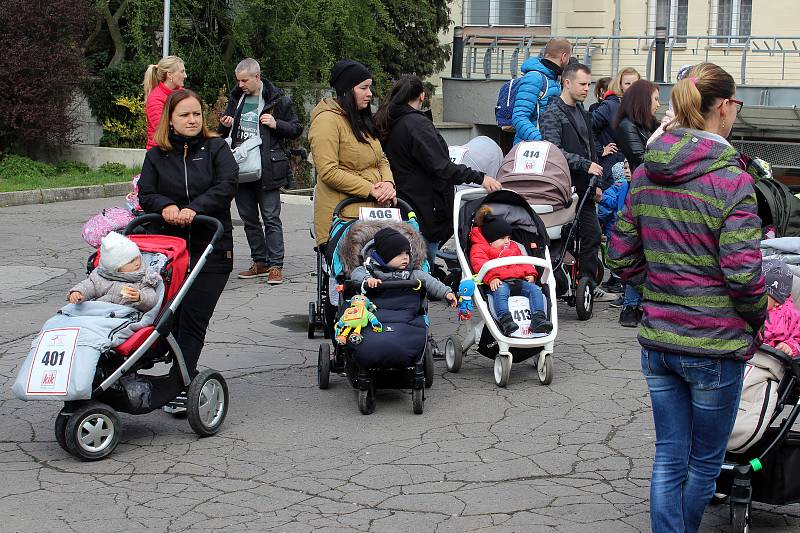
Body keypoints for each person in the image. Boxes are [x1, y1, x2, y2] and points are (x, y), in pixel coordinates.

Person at [607, 62, 766, 533]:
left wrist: (659, 285)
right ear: (721, 107)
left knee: (669, 459)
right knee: (702, 463)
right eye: (735, 104)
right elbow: (742, 275)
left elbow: (619, 255)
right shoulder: (731, 180)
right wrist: (757, 318)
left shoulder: (645, 172)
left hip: (660, 340)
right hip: (715, 344)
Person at [138, 89, 238, 408]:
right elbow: (146, 193)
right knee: (170, 315)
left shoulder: (216, 148)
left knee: (193, 316)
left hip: (211, 247)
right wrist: (166, 205)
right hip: (168, 251)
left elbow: (227, 185)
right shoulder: (156, 155)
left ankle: (182, 382)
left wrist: (195, 208)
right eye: (185, 115)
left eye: (196, 114)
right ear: (171, 119)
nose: (193, 120)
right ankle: (170, 369)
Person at [374, 75, 501, 263]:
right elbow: (441, 166)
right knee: (422, 265)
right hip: (422, 209)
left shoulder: (386, 120)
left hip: (397, 201)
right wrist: (480, 178)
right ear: (422, 96)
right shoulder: (416, 124)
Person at [218, 58, 303, 284]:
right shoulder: (236, 98)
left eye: (245, 80)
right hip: (240, 166)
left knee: (271, 218)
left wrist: (277, 124)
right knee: (249, 219)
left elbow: (296, 129)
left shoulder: (278, 100)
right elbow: (223, 132)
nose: (241, 85)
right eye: (238, 81)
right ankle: (260, 261)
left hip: (267, 167)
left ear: (257, 77)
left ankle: (276, 266)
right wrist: (224, 124)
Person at [310, 59, 395, 249]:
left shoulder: (360, 118)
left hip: (372, 214)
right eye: (364, 88)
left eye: (370, 88)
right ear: (348, 90)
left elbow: (380, 159)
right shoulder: (326, 121)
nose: (370, 94)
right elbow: (328, 171)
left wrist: (388, 184)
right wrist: (371, 189)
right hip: (343, 217)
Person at [540, 62, 606, 294]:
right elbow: (553, 151)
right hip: (562, 190)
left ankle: (587, 284)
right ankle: (557, 277)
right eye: (583, 84)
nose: (587, 88)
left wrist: (596, 182)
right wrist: (585, 165)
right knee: (559, 238)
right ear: (567, 82)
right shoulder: (551, 113)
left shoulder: (584, 113)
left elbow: (592, 150)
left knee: (592, 234)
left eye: (589, 84)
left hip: (585, 189)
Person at [612, 78, 661, 327]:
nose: (658, 104)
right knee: (638, 248)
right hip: (640, 193)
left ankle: (640, 305)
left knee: (647, 249)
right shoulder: (627, 126)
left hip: (653, 193)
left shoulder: (651, 126)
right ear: (643, 100)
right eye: (655, 99)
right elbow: (641, 158)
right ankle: (630, 307)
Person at [469, 206, 553, 336]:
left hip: (518, 280)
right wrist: (492, 277)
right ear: (490, 240)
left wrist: (530, 273)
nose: (508, 241)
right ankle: (506, 319)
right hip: (498, 282)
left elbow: (522, 261)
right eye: (503, 238)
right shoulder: (479, 248)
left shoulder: (513, 247)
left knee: (535, 290)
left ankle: (539, 318)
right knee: (501, 291)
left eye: (509, 237)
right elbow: (480, 265)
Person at [351, 227, 457, 305]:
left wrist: (446, 293)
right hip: (375, 307)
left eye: (407, 253)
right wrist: (368, 279)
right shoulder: (370, 270)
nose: (405, 257)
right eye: (399, 254)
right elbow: (356, 274)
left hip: (404, 308)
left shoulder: (411, 273)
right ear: (384, 256)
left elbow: (431, 283)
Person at [67, 231, 159, 313]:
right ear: (116, 268)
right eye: (131, 261)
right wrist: (77, 293)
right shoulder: (99, 279)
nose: (137, 263)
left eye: (137, 257)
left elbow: (152, 299)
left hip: (126, 316)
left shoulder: (144, 278)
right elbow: (87, 286)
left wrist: (140, 297)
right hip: (100, 313)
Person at [511, 38, 572, 145]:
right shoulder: (535, 78)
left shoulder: (554, 78)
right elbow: (519, 117)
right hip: (531, 150)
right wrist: (543, 141)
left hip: (544, 148)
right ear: (564, 57)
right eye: (569, 57)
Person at [592, 67, 640, 177]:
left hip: (633, 167)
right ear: (620, 85)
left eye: (635, 83)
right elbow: (587, 127)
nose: (632, 87)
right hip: (613, 166)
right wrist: (600, 149)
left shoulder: (639, 107)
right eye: (628, 83)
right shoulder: (610, 105)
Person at [143, 55, 186, 150]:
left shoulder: (184, 93)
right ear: (169, 75)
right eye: (182, 72)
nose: (185, 75)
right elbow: (163, 131)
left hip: (180, 150)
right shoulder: (155, 99)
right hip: (161, 154)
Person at [762, 258, 800, 357]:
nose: (753, 296)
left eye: (761, 294)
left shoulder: (792, 316)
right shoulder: (744, 307)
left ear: (777, 302)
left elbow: (798, 338)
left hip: (771, 359)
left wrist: (789, 346)